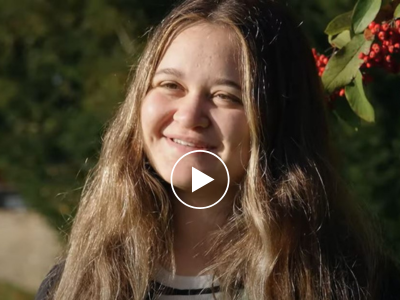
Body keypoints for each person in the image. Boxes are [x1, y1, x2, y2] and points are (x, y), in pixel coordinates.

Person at [35, 0, 400, 299]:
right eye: (170, 85)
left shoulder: (355, 285)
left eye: (226, 96)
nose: (190, 115)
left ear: (280, 121)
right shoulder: (78, 284)